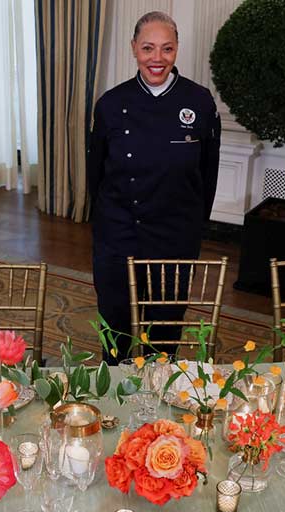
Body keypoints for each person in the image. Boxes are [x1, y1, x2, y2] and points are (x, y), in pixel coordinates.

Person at [88, 11, 220, 361]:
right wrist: (106, 226)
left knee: (164, 329)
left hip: (174, 236)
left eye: (167, 49)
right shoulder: (111, 105)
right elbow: (95, 174)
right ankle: (113, 387)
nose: (157, 59)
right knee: (114, 327)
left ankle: (159, 394)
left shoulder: (200, 102)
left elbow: (208, 175)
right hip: (119, 232)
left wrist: (192, 227)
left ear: (177, 50)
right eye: (148, 48)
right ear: (134, 49)